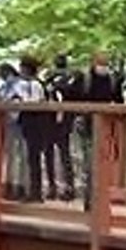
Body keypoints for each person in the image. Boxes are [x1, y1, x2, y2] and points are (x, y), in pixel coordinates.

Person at [72, 51, 125, 211]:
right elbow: (73, 96)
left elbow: (118, 100)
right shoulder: (84, 78)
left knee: (98, 164)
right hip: (86, 125)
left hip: (104, 127)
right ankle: (90, 201)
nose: (103, 65)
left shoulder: (112, 79)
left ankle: (96, 201)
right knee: (89, 164)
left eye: (105, 62)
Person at [14, 54, 50, 202]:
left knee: (33, 158)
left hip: (35, 123)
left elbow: (34, 103)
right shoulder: (26, 84)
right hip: (29, 123)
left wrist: (21, 101)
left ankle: (35, 192)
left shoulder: (35, 85)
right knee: (31, 158)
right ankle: (33, 191)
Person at [43, 54, 78, 200]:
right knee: (65, 154)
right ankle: (68, 186)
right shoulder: (72, 77)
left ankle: (52, 186)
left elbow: (46, 95)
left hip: (50, 119)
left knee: (49, 153)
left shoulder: (49, 77)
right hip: (66, 120)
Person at [0, 62, 27, 200]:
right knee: (11, 156)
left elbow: (20, 100)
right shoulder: (2, 86)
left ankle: (20, 186)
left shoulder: (20, 84)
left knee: (21, 156)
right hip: (8, 124)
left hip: (20, 122)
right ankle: (9, 185)